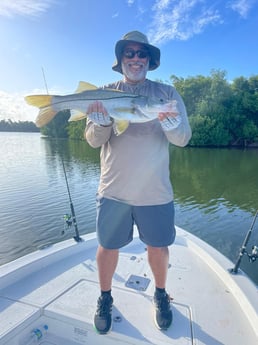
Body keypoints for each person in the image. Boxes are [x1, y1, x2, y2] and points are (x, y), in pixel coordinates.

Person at [85, 31, 192, 334]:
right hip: (114, 190)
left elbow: (183, 139)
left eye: (141, 54)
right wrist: (101, 122)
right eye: (129, 53)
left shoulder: (167, 93)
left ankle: (160, 294)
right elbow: (93, 141)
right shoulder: (103, 93)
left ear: (150, 60)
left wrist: (171, 125)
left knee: (158, 247)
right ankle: (105, 297)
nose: (135, 59)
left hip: (155, 191)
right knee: (107, 247)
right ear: (120, 61)